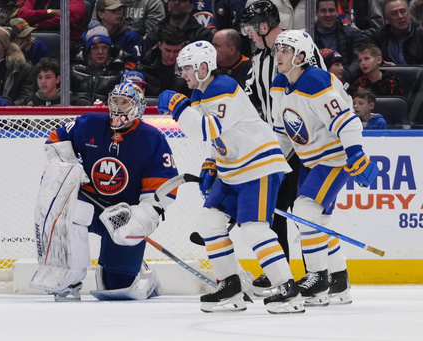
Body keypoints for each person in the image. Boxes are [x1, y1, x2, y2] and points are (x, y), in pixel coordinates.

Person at [157, 41, 304, 314]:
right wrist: (212, 162)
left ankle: (287, 290)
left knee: (254, 228)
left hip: (258, 166)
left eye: (187, 68)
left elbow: (207, 128)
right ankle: (231, 287)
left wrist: (179, 108)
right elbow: (218, 136)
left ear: (203, 68)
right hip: (232, 169)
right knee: (209, 222)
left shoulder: (223, 87)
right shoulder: (202, 94)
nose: (183, 73)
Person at [31, 80, 178, 301]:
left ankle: (143, 275)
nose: (117, 108)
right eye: (114, 101)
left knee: (115, 288)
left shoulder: (152, 139)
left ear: (137, 107)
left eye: (124, 103)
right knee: (67, 204)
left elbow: (161, 192)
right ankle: (68, 280)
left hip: (124, 214)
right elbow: (55, 140)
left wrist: (138, 218)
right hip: (90, 202)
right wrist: (71, 170)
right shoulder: (90, 123)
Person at [270, 30, 379, 306]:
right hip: (310, 160)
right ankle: (338, 281)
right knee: (318, 220)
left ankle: (318, 277)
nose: (278, 54)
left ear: (302, 56)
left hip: (334, 158)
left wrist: (355, 153)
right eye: (278, 49)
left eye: (285, 50)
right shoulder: (279, 85)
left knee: (305, 210)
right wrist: (272, 168)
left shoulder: (316, 81)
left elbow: (348, 122)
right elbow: (282, 134)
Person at [240, 0, 327, 296]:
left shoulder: (299, 46)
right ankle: (281, 271)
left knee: (303, 211)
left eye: (252, 29)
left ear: (264, 26)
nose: (248, 34)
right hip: (275, 145)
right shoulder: (260, 58)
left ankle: (317, 274)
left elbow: (321, 86)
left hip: (304, 146)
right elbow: (250, 95)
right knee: (274, 209)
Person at [313, 0, 368, 83]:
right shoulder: (308, 37)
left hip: (348, 86)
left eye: (331, 10)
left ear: (337, 12)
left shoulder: (353, 34)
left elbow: (359, 59)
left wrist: (345, 74)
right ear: (316, 13)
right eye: (323, 11)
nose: (328, 14)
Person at [71, 25, 126, 105]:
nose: (100, 52)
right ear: (88, 51)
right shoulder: (73, 70)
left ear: (109, 50)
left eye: (104, 47)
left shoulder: (119, 72)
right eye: (95, 48)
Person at [136, 24, 190, 97]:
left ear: (182, 47)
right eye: (167, 50)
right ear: (160, 45)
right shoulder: (146, 67)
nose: (171, 56)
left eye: (176, 51)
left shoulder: (191, 68)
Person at [88, 1, 143, 70]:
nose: (119, 13)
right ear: (101, 14)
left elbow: (134, 65)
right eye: (113, 10)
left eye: (120, 9)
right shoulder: (90, 36)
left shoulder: (131, 37)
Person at [143, 0, 213, 53]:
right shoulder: (155, 33)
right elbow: (145, 62)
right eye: (173, 0)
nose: (177, 3)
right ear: (168, 5)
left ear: (191, 7)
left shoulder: (202, 35)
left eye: (182, 0)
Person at [373, 0, 423, 65]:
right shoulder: (380, 36)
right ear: (386, 19)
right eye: (394, 13)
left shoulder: (420, 34)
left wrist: (398, 70)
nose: (400, 16)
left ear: (409, 14)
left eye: (403, 11)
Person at [93, 0, 166, 40]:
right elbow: (94, 29)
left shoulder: (153, 2)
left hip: (138, 47)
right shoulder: (104, 2)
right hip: (105, 45)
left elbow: (151, 38)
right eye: (114, 10)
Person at [17, 0, 86, 42]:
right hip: (33, 37)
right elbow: (22, 15)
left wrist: (38, 24)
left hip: (65, 41)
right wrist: (49, 12)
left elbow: (71, 17)